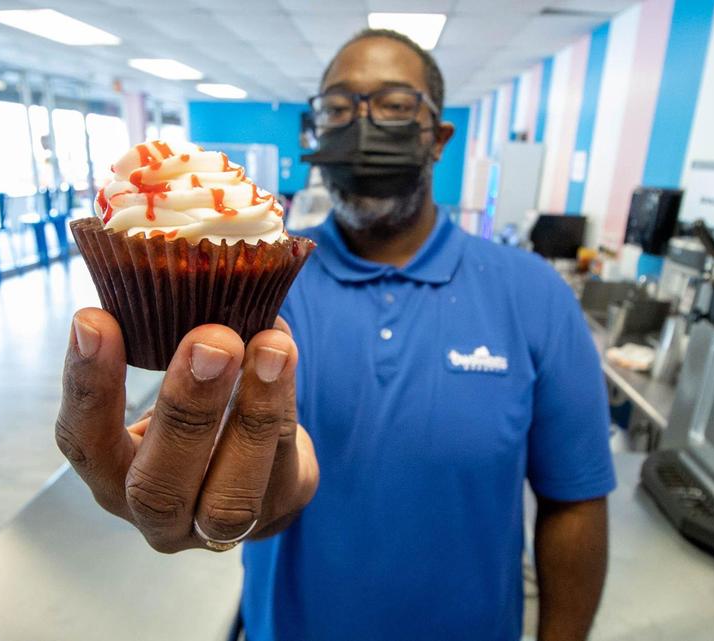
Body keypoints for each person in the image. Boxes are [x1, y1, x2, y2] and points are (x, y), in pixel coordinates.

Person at [55, 29, 615, 641]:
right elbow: (208, 446)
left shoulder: (534, 294)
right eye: (339, 109)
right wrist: (191, 492)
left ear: (438, 139)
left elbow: (575, 498)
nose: (363, 126)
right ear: (316, 133)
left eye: (396, 106)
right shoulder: (254, 289)